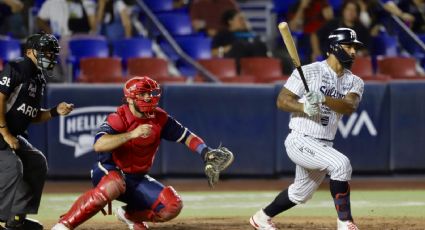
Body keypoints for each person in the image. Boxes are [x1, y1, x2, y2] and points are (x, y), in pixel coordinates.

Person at [51, 76, 234, 230]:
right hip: (109, 171)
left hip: (136, 178)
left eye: (150, 93)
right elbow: (99, 145)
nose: (148, 98)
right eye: (142, 94)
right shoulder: (118, 118)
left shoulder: (159, 117)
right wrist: (131, 134)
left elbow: (186, 136)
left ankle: (130, 215)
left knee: (172, 205)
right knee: (114, 184)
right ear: (130, 99)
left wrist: (205, 152)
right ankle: (64, 225)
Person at [250, 27, 364, 230]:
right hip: (300, 139)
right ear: (335, 47)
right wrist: (304, 106)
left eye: (355, 47)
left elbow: (349, 106)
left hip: (323, 143)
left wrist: (322, 99)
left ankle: (261, 218)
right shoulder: (310, 71)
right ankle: (345, 222)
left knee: (300, 193)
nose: (354, 52)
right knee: (341, 164)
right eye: (349, 46)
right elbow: (282, 100)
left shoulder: (355, 81)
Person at [0, 32, 74, 230]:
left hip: (13, 135)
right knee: (13, 167)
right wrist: (5, 133)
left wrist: (54, 112)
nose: (50, 56)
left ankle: (16, 220)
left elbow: (31, 114)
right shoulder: (18, 67)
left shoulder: (38, 78)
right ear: (31, 51)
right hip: (2, 133)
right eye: (46, 52)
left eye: (52, 53)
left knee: (37, 161)